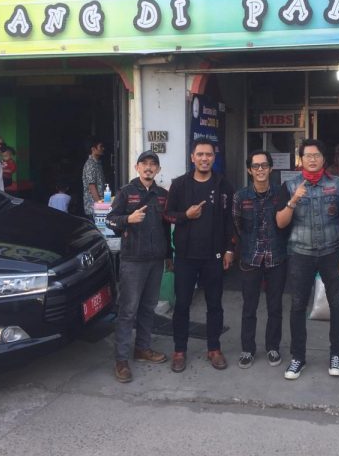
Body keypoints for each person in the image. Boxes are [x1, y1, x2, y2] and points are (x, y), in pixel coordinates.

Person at [276, 139, 339, 380]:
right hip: (300, 253)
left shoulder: (337, 184)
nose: (312, 159)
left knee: (337, 304)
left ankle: (336, 354)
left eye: (316, 155)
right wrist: (293, 200)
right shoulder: (290, 185)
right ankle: (297, 357)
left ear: (323, 159)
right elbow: (280, 222)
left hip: (332, 252)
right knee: (298, 305)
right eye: (307, 155)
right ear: (301, 159)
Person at [164, 138, 235, 373]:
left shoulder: (224, 185)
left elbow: (230, 221)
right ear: (192, 157)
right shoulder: (179, 185)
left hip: (214, 256)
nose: (205, 158)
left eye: (209, 155)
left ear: (214, 158)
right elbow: (168, 215)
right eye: (200, 154)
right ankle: (179, 350)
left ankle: (214, 348)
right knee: (182, 304)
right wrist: (186, 215)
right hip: (185, 256)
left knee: (214, 304)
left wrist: (229, 249)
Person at [106, 150, 172, 383]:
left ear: (158, 170)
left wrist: (168, 255)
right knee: (128, 310)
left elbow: (165, 227)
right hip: (133, 260)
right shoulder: (126, 192)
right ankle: (121, 359)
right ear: (137, 167)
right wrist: (128, 219)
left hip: (156, 260)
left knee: (148, 307)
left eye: (153, 164)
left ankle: (142, 348)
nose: (148, 167)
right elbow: (110, 220)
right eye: (144, 163)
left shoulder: (162, 195)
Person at [232, 150, 288, 369]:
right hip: (250, 258)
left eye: (264, 165)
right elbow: (237, 225)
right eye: (256, 166)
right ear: (249, 170)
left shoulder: (280, 193)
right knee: (249, 307)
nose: (260, 169)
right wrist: (247, 245)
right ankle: (248, 349)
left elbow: (286, 223)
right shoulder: (241, 196)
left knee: (275, 306)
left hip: (276, 257)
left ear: (271, 168)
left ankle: (273, 347)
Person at [82, 137, 106, 218]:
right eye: (100, 146)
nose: (103, 148)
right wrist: (100, 205)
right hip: (94, 207)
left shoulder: (97, 164)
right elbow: (92, 186)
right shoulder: (90, 165)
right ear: (93, 149)